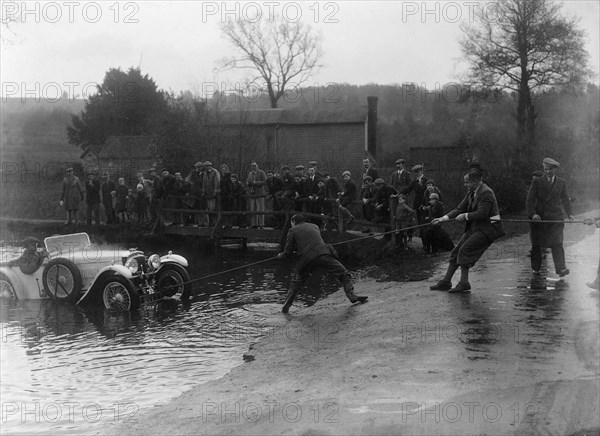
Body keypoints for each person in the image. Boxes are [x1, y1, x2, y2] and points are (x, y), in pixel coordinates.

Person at [430, 169, 505, 293]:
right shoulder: (471, 192)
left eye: (467, 182)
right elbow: (459, 208)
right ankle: (446, 281)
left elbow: (482, 213)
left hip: (489, 228)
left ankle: (464, 283)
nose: (465, 185)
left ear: (475, 182)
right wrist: (442, 219)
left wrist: (465, 216)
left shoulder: (486, 193)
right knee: (456, 251)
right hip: (475, 227)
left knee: (465, 250)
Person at [276, 214, 368, 313]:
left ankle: (286, 305)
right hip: (323, 253)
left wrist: (281, 255)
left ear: (293, 222)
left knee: (297, 282)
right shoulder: (315, 226)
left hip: (308, 259)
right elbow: (313, 240)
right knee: (343, 272)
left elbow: (287, 252)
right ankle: (351, 295)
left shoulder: (292, 230)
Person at [526, 157, 574, 277]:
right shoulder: (537, 182)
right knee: (536, 244)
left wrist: (570, 214)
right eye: (546, 169)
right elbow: (529, 200)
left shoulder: (561, 182)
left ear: (555, 170)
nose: (547, 172)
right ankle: (536, 269)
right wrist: (533, 214)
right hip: (539, 218)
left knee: (557, 243)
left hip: (555, 218)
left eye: (550, 169)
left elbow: (565, 200)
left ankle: (561, 269)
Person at [246, 161, 268, 228]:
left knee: (260, 209)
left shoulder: (261, 172)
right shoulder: (250, 174)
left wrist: (257, 183)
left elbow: (265, 181)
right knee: (253, 209)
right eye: (252, 166)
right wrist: (248, 184)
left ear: (257, 166)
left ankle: (261, 224)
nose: (254, 167)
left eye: (255, 166)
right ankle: (254, 224)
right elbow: (248, 181)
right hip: (252, 193)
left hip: (260, 193)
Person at [202, 161, 221, 226]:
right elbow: (203, 183)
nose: (206, 167)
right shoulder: (205, 173)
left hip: (213, 193)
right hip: (207, 193)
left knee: (213, 208)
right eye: (206, 166)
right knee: (208, 208)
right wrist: (203, 191)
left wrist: (215, 192)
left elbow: (217, 183)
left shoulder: (215, 172)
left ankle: (215, 223)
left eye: (208, 166)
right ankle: (210, 222)